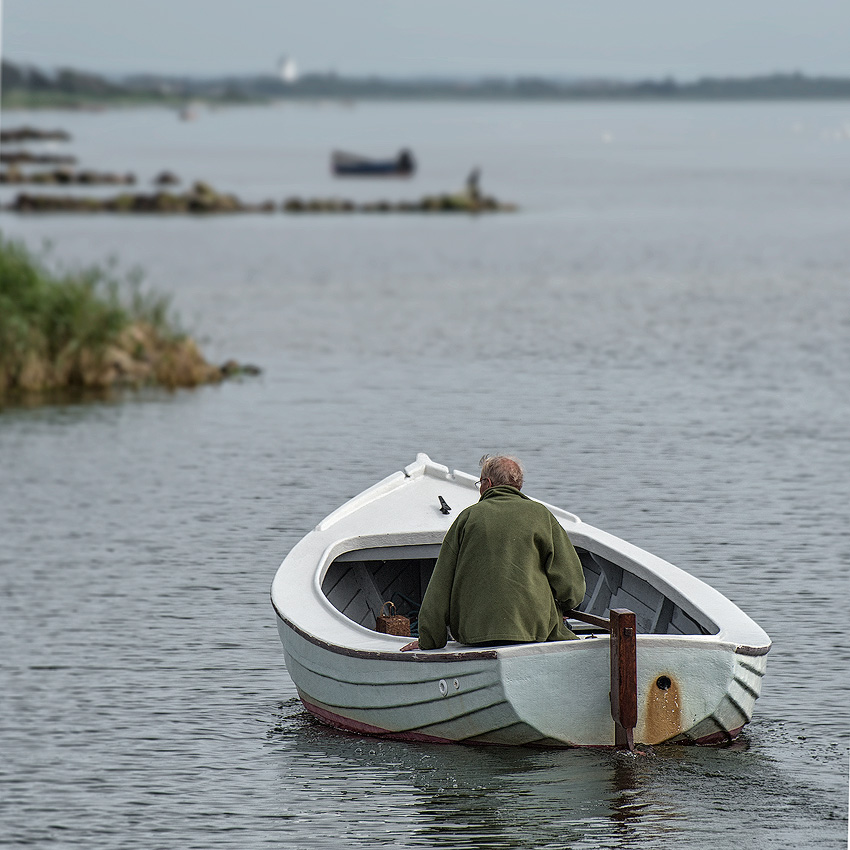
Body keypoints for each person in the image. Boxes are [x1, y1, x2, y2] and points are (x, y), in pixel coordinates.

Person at [401, 455, 586, 651]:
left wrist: (430, 640)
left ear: (487, 484)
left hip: (475, 634)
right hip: (535, 632)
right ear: (518, 485)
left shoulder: (467, 518)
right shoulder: (541, 515)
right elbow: (572, 585)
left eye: (480, 483)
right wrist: (565, 606)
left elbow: (440, 588)